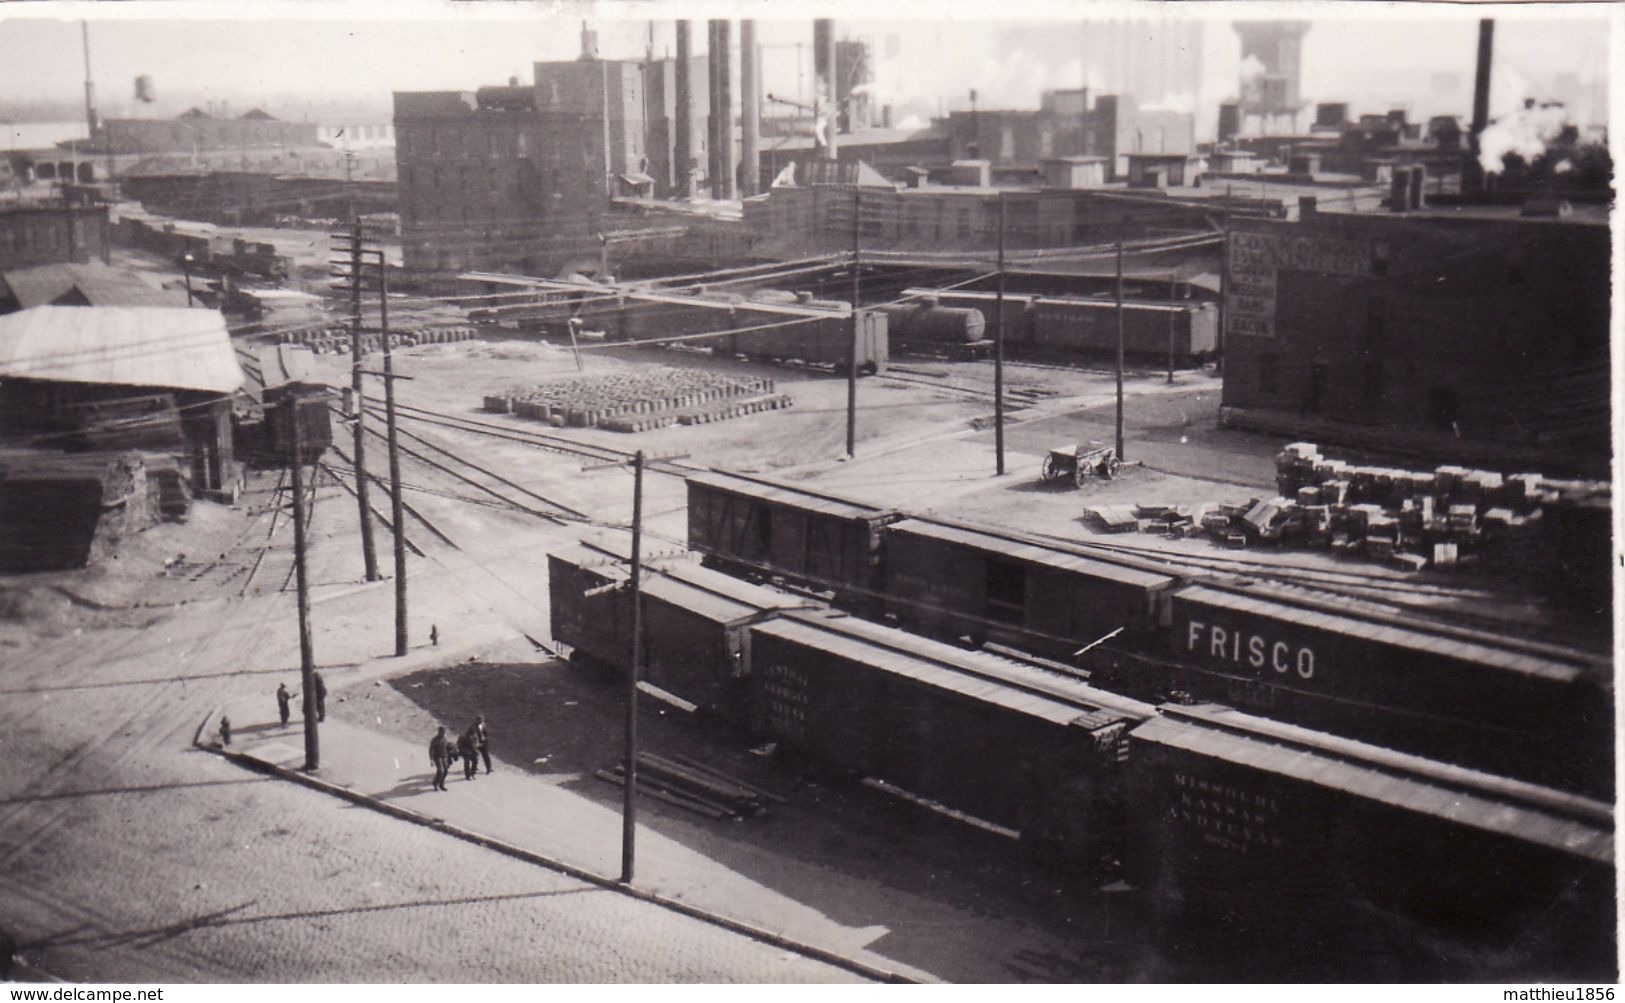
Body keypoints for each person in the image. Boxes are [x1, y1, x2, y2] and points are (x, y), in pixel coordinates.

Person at [429, 726, 452, 792]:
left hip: (444, 756)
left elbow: (447, 746)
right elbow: (431, 750)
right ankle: (435, 783)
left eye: (444, 732)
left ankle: (441, 784)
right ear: (439, 732)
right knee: (441, 771)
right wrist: (431, 759)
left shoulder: (444, 738)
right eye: (442, 732)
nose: (443, 733)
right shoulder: (435, 740)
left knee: (446, 771)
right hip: (437, 757)